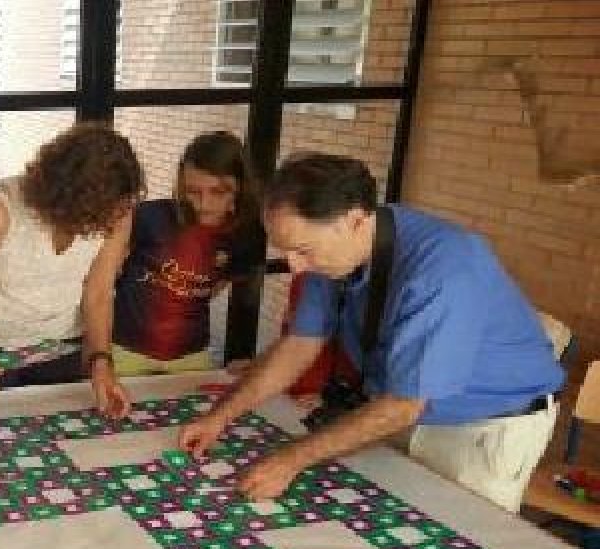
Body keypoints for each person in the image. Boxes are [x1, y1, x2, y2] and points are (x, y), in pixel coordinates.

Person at [180, 153, 564, 512]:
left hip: (484, 426)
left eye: (303, 250)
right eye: (288, 252)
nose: (296, 267)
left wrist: (291, 459)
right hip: (400, 410)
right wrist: (222, 416)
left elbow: (403, 404)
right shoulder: (331, 255)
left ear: (355, 221)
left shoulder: (445, 269)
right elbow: (299, 345)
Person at [0, 122, 144, 417]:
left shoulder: (116, 211)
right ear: (65, 200)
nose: (107, 225)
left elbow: (99, 291)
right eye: (95, 218)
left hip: (66, 349)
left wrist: (101, 360)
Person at [113, 131, 262, 376]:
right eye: (193, 191)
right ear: (181, 186)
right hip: (125, 350)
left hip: (191, 355)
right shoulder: (149, 217)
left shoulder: (248, 235)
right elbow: (108, 273)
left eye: (218, 192)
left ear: (240, 190)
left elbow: (218, 285)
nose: (203, 204)